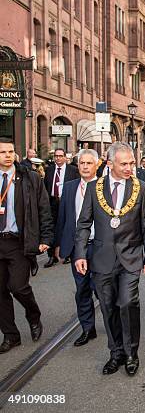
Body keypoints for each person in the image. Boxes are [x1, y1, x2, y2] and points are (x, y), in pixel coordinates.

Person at [74, 142, 145, 377]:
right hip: (101, 258)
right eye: (125, 164)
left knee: (128, 303)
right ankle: (116, 352)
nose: (131, 167)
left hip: (130, 257)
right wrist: (80, 253)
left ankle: (131, 353)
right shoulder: (94, 188)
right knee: (108, 307)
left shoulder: (142, 188)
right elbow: (83, 224)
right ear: (110, 164)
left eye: (132, 163)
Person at [0, 138, 53, 354]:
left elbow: (44, 209)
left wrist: (46, 238)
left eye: (11, 151)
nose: (7, 155)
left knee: (18, 286)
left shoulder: (29, 178)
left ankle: (33, 316)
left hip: (18, 242)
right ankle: (11, 335)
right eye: (3, 152)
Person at [54, 149, 99, 347]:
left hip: (99, 247)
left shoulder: (104, 187)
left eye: (89, 163)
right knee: (81, 290)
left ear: (97, 165)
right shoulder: (70, 187)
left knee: (102, 290)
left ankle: (114, 326)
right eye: (82, 163)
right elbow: (62, 217)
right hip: (77, 248)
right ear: (77, 165)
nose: (86, 167)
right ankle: (87, 328)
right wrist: (58, 245)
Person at [44, 148, 79, 267]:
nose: (58, 158)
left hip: (67, 201)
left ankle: (67, 253)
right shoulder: (49, 170)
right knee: (51, 227)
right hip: (52, 202)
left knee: (66, 226)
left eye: (60, 156)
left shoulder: (73, 170)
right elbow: (45, 187)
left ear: (65, 157)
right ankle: (51, 256)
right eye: (56, 156)